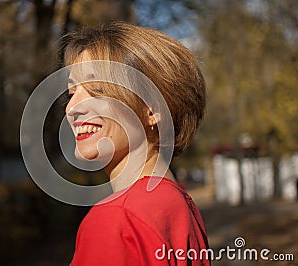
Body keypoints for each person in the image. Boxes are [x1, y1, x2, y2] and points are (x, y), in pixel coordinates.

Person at [63, 22, 209, 265]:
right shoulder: (180, 206)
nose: (72, 108)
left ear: (152, 108)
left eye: (97, 89)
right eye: (71, 92)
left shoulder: (117, 219)